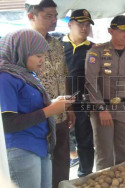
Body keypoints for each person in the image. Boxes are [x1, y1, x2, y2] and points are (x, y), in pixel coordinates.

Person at [0, 29, 74, 188]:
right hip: (21, 148)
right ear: (21, 52)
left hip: (40, 145)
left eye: (44, 56)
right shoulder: (5, 78)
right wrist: (51, 110)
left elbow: (28, 106)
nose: (42, 61)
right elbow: (7, 123)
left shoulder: (26, 75)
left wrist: (53, 102)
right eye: (38, 56)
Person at [85, 15, 125, 171]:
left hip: (124, 108)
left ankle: (120, 181)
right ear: (111, 31)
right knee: (104, 153)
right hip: (103, 109)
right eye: (122, 31)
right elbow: (91, 83)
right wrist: (101, 109)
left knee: (123, 152)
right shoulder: (96, 52)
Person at [26, 0, 75, 186]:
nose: (54, 20)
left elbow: (63, 76)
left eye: (55, 16)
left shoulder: (56, 44)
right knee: (39, 164)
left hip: (60, 114)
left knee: (62, 160)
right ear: (32, 16)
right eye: (48, 16)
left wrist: (69, 107)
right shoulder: (22, 44)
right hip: (38, 115)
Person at [60, 9, 95, 175]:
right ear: (70, 24)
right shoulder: (57, 46)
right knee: (60, 143)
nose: (84, 28)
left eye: (87, 24)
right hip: (58, 102)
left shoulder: (94, 49)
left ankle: (85, 176)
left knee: (85, 141)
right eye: (80, 23)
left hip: (82, 103)